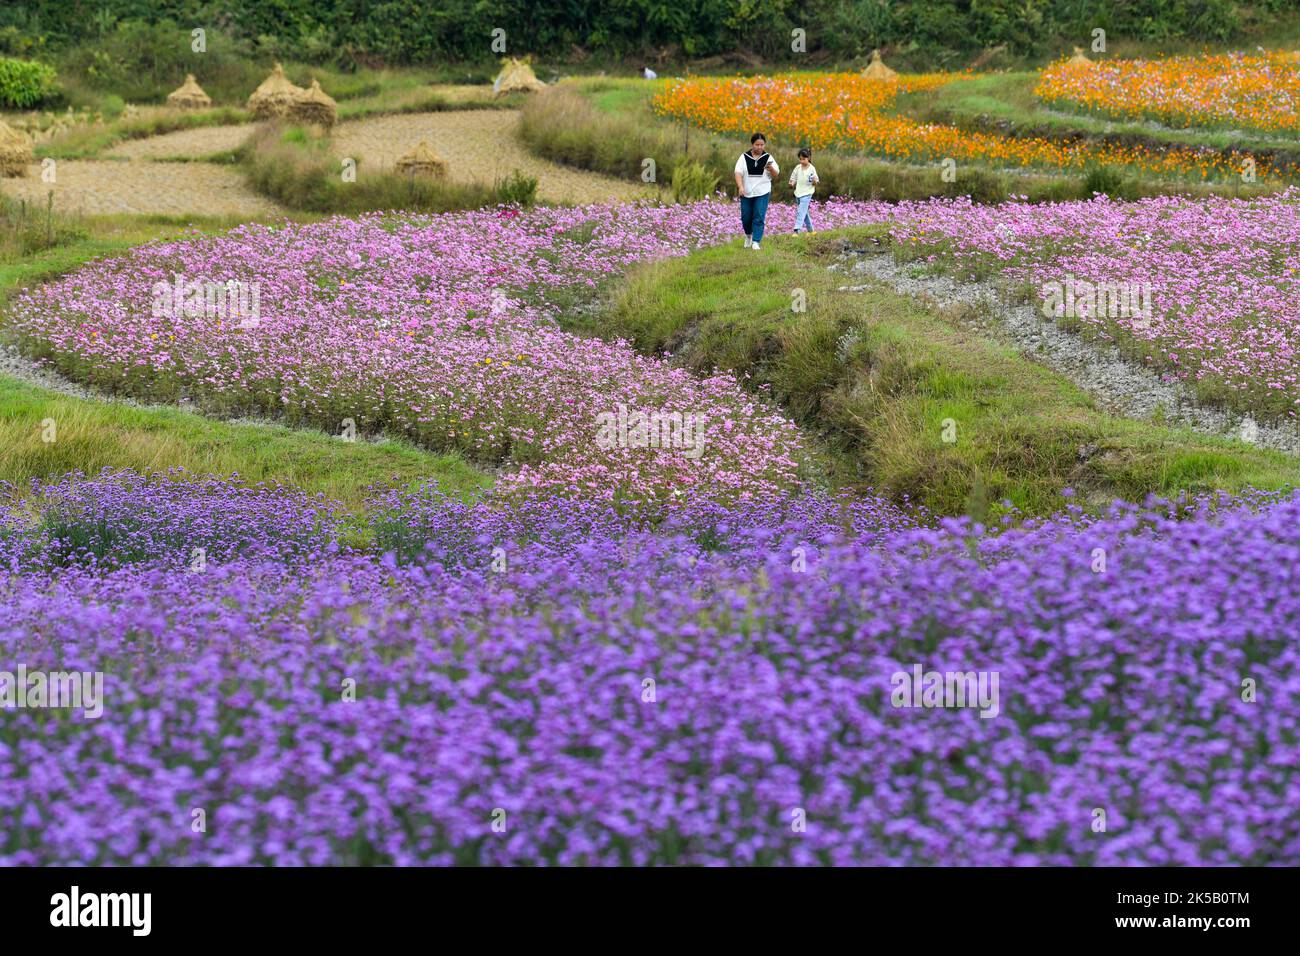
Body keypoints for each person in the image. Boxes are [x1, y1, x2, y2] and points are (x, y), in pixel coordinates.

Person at [734, 132, 778, 250]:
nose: (760, 147)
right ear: (752, 144)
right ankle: (748, 235)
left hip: (762, 191)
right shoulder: (744, 157)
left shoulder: (768, 157)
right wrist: (740, 187)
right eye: (757, 145)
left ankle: (756, 242)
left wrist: (771, 168)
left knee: (759, 216)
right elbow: (738, 172)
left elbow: (775, 174)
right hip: (746, 192)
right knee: (746, 217)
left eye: (762, 145)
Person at [789, 148, 819, 234]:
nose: (802, 161)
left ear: (809, 158)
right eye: (800, 159)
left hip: (807, 193)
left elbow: (815, 182)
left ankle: (796, 230)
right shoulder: (798, 167)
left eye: (804, 159)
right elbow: (793, 178)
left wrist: (814, 181)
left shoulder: (812, 169)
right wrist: (792, 183)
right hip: (798, 192)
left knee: (801, 211)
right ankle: (811, 231)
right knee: (804, 212)